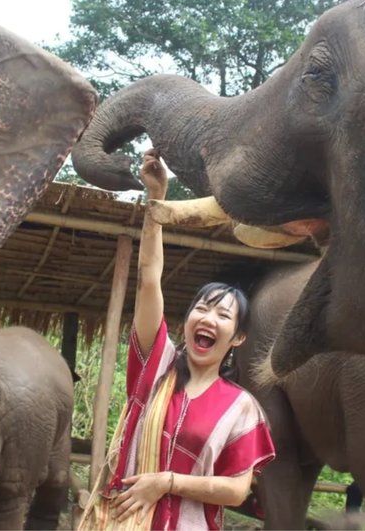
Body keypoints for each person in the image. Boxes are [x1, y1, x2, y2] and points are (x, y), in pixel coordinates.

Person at [82, 149, 275, 531]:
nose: (208, 318)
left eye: (223, 315)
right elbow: (149, 277)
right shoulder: (154, 368)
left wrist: (165, 483)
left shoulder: (242, 408)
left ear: (237, 338)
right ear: (186, 321)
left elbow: (237, 491)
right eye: (202, 309)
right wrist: (157, 202)